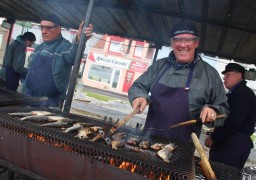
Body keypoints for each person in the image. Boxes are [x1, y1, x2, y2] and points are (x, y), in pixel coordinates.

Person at [128, 21, 229, 142]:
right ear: (171, 43)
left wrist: (213, 110)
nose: (183, 45)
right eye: (178, 40)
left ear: (196, 43)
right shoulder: (159, 66)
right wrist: (139, 96)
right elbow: (138, 86)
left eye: (188, 40)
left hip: (183, 148)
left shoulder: (210, 74)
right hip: (148, 141)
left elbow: (223, 108)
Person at [24, 14, 93, 107]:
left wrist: (80, 40)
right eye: (42, 27)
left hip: (50, 103)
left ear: (58, 29)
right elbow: (29, 75)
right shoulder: (39, 48)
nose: (43, 31)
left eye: (48, 28)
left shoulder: (64, 47)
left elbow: (73, 57)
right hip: (29, 98)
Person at [205, 63, 256, 169]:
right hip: (229, 142)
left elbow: (234, 122)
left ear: (238, 75)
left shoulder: (243, 94)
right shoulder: (234, 94)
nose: (224, 78)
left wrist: (214, 137)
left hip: (234, 144)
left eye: (228, 75)